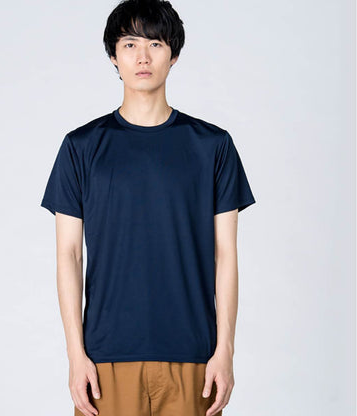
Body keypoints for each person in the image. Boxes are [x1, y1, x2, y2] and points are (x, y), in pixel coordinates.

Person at [40, 0, 256, 415]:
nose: (142, 57)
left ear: (173, 55)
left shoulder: (212, 145)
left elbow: (225, 254)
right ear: (113, 56)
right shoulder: (81, 147)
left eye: (155, 44)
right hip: (105, 358)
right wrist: (75, 355)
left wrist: (225, 351)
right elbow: (69, 254)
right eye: (130, 44)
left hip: (194, 355)